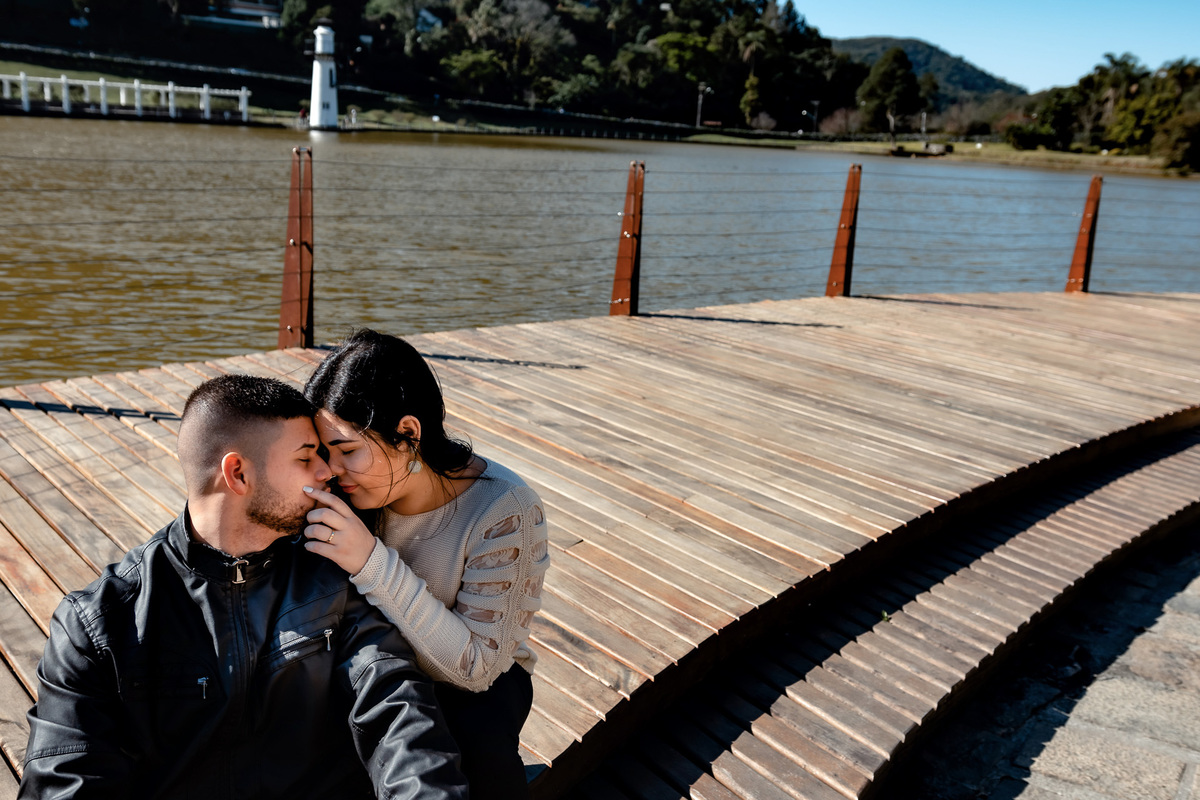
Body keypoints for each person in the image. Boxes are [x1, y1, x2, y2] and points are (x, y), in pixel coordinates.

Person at [19, 375, 468, 800]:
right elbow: (66, 779)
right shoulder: (100, 623)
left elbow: (399, 713)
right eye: (305, 458)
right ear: (237, 474)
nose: (327, 471)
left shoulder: (331, 580)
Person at [301, 329, 550, 800]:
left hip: (479, 685)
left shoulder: (504, 508)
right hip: (377, 667)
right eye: (324, 452)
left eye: (348, 450)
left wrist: (371, 562)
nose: (331, 470)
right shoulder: (343, 495)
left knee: (473, 747)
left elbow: (477, 667)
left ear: (409, 434)